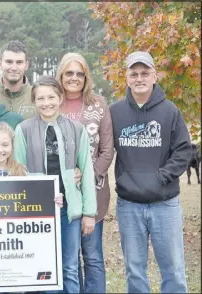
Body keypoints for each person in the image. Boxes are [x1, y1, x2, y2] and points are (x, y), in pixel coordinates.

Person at [109, 51, 191, 293]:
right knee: (134, 270)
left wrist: (162, 176)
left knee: (173, 269)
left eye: (145, 73)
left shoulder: (170, 111)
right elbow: (102, 148)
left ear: (155, 76)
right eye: (134, 74)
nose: (139, 78)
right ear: (126, 78)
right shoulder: (115, 112)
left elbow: (184, 150)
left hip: (164, 204)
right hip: (129, 204)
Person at [14, 75, 97, 293]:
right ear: (34, 102)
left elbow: (86, 170)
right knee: (42, 267)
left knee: (69, 267)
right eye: (40, 98)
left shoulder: (76, 129)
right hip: (36, 212)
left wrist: (89, 212)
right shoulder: (23, 130)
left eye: (51, 97)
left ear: (60, 98)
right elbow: (18, 172)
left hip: (68, 211)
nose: (46, 103)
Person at [56, 52, 114, 293]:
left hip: (94, 192)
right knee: (69, 259)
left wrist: (87, 176)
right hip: (62, 195)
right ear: (61, 74)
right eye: (69, 73)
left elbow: (107, 149)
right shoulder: (51, 102)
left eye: (80, 74)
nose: (74, 78)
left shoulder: (98, 104)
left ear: (86, 77)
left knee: (92, 256)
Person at [0, 40, 36, 119]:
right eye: (9, 62)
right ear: (0, 64)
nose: (14, 68)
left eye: (19, 62)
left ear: (26, 65)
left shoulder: (37, 96)